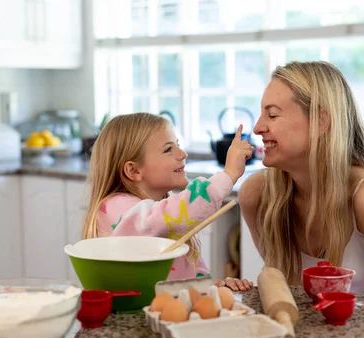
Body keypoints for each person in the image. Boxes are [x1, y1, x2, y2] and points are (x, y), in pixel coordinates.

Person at [239, 61, 364, 331]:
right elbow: (285, 291)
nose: (257, 128)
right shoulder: (257, 195)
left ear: (321, 121)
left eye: (273, 115)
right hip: (336, 318)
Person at [82, 112, 254, 291]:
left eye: (178, 145)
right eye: (168, 149)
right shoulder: (116, 207)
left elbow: (189, 276)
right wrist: (229, 174)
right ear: (133, 170)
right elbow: (179, 211)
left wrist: (210, 287)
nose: (182, 153)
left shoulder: (166, 217)